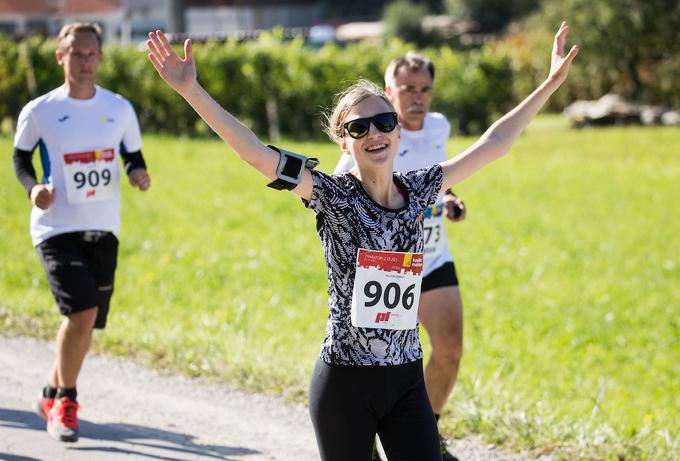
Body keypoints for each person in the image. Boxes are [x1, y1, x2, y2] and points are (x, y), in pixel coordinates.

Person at [146, 22, 577, 460]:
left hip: (407, 380)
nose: (375, 133)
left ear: (397, 131)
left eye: (384, 122)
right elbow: (256, 153)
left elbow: (496, 142)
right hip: (344, 384)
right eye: (359, 128)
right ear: (343, 141)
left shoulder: (421, 188)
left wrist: (550, 83)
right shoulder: (333, 195)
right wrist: (190, 91)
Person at [12, 22, 151, 442]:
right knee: (83, 310)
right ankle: (66, 404)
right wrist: (34, 188)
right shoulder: (40, 110)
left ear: (101, 58)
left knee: (83, 320)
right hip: (56, 227)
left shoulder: (119, 108)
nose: (85, 61)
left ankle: (50, 393)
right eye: (77, 53)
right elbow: (20, 159)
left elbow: (133, 155)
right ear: (61, 56)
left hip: (104, 225)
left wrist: (138, 173)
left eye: (92, 53)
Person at [334, 52, 467, 460]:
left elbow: (438, 179)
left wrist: (450, 199)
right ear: (389, 92)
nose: (417, 98)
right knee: (381, 361)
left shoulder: (439, 127)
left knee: (449, 348)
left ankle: (430, 433)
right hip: (387, 270)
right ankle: (370, 430)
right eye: (407, 89)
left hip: (433, 257)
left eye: (425, 89)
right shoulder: (372, 141)